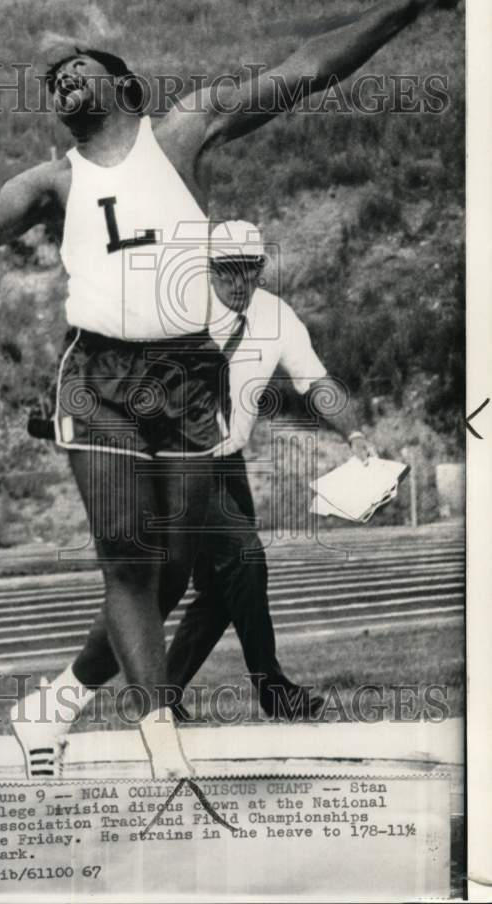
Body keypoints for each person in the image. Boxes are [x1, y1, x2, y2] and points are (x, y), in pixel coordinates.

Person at [0, 0, 463, 778]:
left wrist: (403, 5)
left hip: (187, 378)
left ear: (123, 87)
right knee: (127, 558)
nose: (62, 82)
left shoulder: (183, 132)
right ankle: (161, 735)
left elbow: (305, 70)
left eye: (78, 69)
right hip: (98, 378)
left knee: (180, 564)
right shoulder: (53, 182)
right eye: (52, 82)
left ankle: (54, 706)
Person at [165, 221, 377, 723]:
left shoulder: (276, 316)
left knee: (224, 586)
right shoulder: (178, 314)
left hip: (227, 461)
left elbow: (316, 381)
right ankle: (272, 688)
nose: (238, 284)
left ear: (261, 268)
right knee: (244, 558)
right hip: (178, 461)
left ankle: (157, 695)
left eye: (248, 271)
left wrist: (355, 435)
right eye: (227, 272)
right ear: (209, 269)